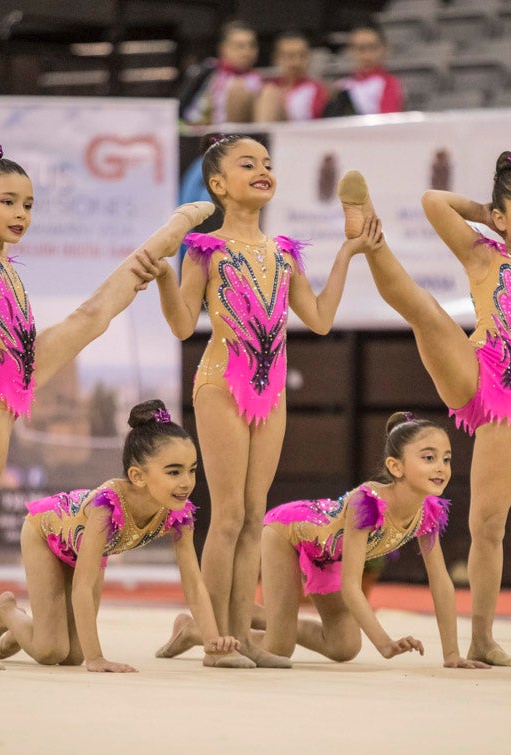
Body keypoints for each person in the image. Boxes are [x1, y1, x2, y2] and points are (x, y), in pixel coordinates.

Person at [0, 137, 213, 670]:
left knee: (93, 316)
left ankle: (168, 235)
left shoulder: (0, 261)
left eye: (27, 204)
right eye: (7, 201)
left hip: (21, 365)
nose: (20, 214)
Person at [338, 155, 511, 666]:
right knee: (422, 309)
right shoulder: (483, 255)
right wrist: (489, 214)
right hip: (474, 371)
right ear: (499, 218)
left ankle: (482, 639)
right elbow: (435, 202)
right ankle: (367, 234)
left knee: (489, 526)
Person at [151, 133, 369, 667]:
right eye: (247, 164)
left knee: (253, 516)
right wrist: (162, 274)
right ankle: (214, 640)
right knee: (226, 516)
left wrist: (348, 252)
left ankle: (239, 637)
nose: (262, 169)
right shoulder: (206, 250)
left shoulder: (283, 252)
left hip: (270, 392)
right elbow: (183, 325)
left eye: (267, 163)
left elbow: (318, 319)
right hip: (221, 382)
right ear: (219, 185)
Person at [0, 400, 240, 672]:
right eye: (174, 472)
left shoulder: (179, 514)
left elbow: (194, 583)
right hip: (44, 535)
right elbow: (83, 586)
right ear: (138, 476)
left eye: (191, 470)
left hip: (87, 551)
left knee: (73, 655)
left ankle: (33, 629)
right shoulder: (106, 508)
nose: (186, 482)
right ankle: (8, 612)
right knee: (51, 650)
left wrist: (212, 640)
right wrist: (97, 658)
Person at [257, 412, 490, 668]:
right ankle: (209, 633)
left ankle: (258, 617)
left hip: (327, 556)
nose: (440, 467)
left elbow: (440, 580)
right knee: (278, 648)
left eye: (446, 459)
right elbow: (351, 586)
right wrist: (384, 643)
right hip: (287, 533)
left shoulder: (428, 512)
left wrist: (452, 654)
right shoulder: (367, 503)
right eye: (428, 458)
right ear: (395, 466)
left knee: (344, 645)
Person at [178, 20, 264, 127]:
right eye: (240, 46)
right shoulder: (207, 74)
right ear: (223, 48)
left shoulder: (261, 80)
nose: (246, 52)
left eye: (252, 45)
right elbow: (187, 112)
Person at [255, 31, 330, 123]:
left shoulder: (318, 90)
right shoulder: (266, 85)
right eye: (290, 56)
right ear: (277, 58)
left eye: (302, 56)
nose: (297, 62)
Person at [334, 25, 404, 115]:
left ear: (383, 49)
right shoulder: (342, 87)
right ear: (351, 51)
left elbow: (388, 121)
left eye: (372, 47)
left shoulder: (390, 84)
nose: (367, 55)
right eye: (360, 49)